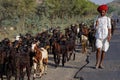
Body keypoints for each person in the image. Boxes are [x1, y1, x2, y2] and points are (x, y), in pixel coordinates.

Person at [94, 4, 112, 69]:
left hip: (105, 36)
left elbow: (109, 27)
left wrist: (109, 35)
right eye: (101, 12)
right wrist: (96, 24)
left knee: (104, 50)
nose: (102, 13)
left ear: (105, 12)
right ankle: (97, 63)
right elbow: (95, 28)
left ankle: (101, 63)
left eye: (103, 12)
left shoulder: (108, 19)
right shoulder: (97, 19)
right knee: (98, 49)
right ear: (99, 12)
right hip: (98, 36)